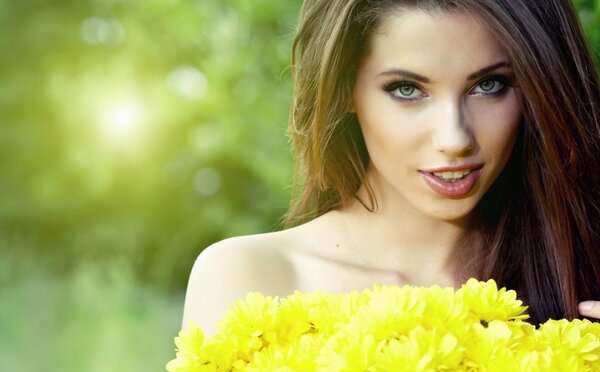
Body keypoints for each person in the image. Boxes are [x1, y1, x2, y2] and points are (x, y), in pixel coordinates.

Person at [182, 0, 600, 337]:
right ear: (345, 89)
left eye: (488, 86)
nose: (454, 138)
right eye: (407, 90)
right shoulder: (253, 279)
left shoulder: (579, 274)